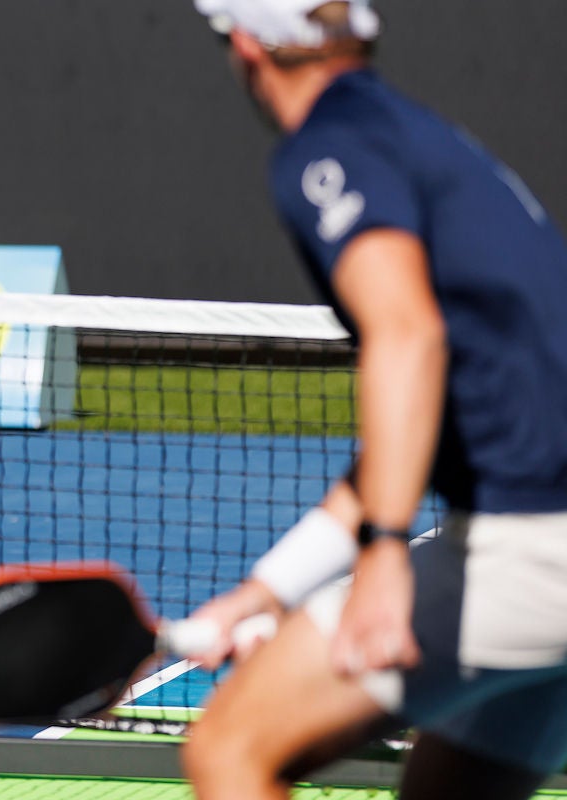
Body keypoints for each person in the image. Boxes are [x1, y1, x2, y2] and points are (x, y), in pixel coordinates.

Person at [181, 2, 567, 798]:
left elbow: (407, 336)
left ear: (245, 46)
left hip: (531, 548)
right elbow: (416, 419)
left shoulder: (329, 145)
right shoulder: (413, 134)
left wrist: (387, 555)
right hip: (538, 547)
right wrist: (265, 593)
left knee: (227, 752)